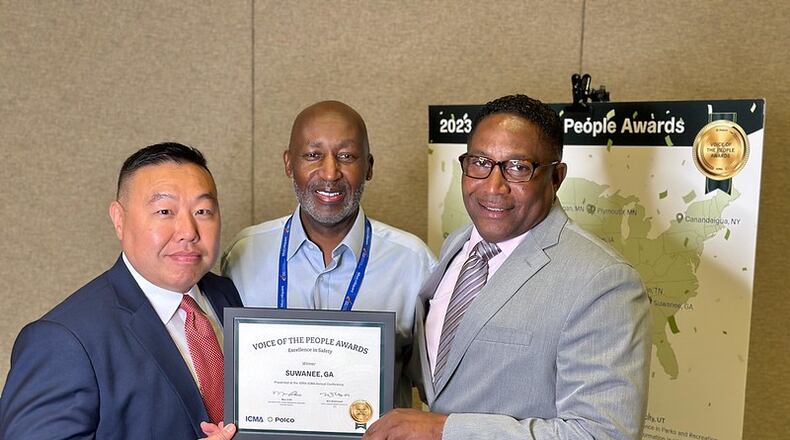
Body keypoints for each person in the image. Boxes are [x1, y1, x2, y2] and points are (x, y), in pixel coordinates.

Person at [364, 94, 651, 440]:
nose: (493, 187)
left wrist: (445, 430)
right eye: (480, 162)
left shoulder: (603, 282)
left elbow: (603, 434)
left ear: (556, 177)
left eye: (518, 167)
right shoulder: (461, 243)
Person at [0, 143, 242, 439]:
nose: (188, 231)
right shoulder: (62, 340)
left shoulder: (227, 295)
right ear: (119, 219)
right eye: (165, 211)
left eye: (203, 211)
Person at [222, 100, 437, 406]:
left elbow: (436, 389)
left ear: (369, 166)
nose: (330, 172)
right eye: (313, 155)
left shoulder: (413, 263)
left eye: (347, 156)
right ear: (288, 163)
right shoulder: (244, 254)